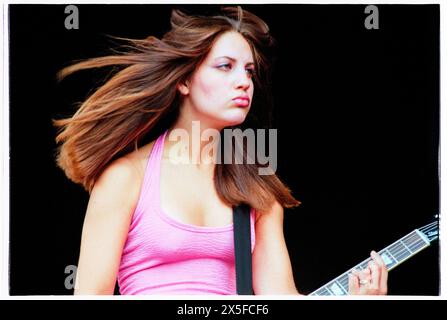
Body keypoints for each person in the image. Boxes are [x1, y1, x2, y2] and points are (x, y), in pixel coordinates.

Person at [53, 6, 388, 295]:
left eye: (249, 71)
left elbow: (281, 295)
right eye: (225, 66)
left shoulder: (257, 189)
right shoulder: (125, 178)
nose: (244, 82)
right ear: (183, 81)